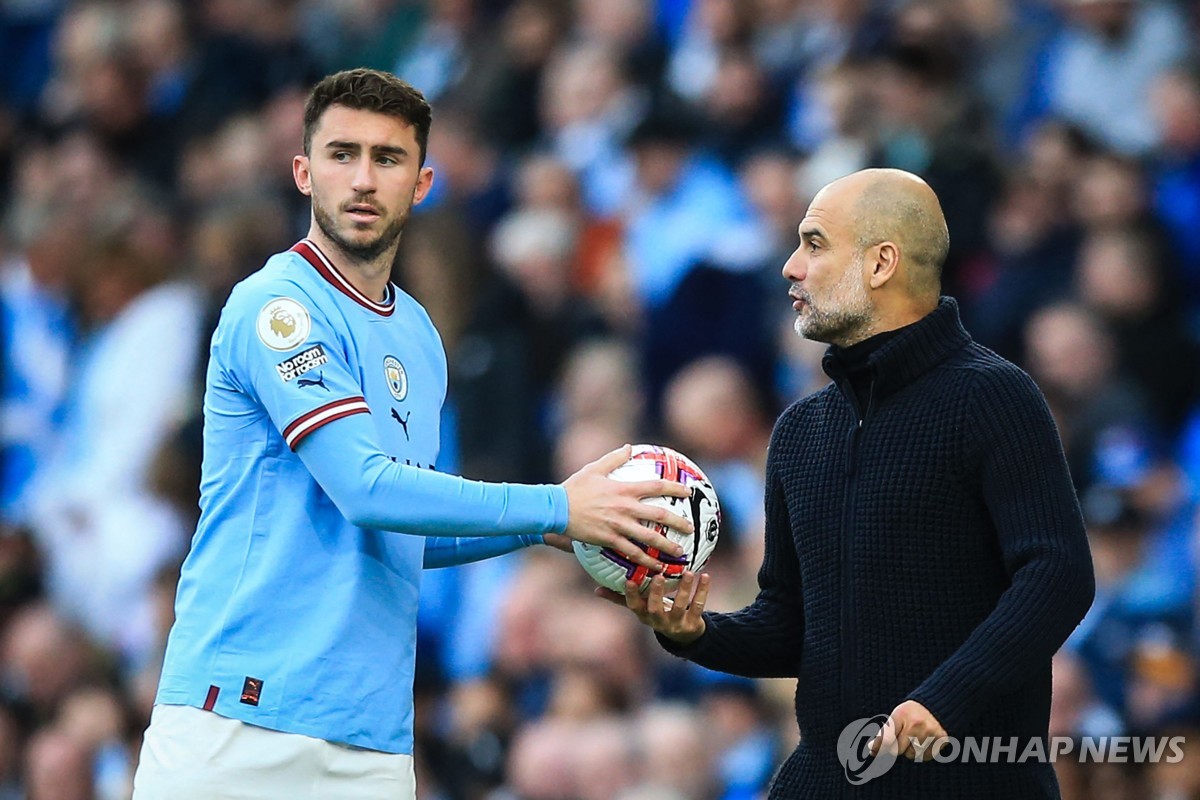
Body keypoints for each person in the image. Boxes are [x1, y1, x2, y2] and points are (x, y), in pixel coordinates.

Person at [131, 68, 693, 800]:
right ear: (303, 173)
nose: (363, 179)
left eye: (388, 159)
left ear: (423, 182)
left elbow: (405, 531)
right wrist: (555, 505)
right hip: (242, 718)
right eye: (342, 154)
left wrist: (556, 532)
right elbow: (365, 488)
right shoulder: (276, 307)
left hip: (372, 738)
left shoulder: (421, 337)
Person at [608, 168, 1095, 798]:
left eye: (814, 244)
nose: (790, 267)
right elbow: (791, 625)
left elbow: (1058, 574)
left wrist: (944, 701)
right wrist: (698, 632)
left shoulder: (994, 397)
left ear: (881, 263)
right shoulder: (800, 430)